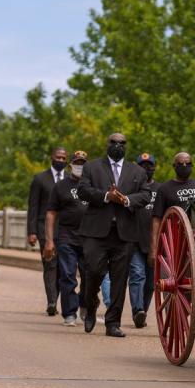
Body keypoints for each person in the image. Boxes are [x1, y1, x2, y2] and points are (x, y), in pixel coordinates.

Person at [76, 133, 152, 338]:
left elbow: (146, 195)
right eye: (114, 142)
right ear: (107, 144)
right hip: (96, 232)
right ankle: (90, 305)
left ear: (126, 146)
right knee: (93, 271)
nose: (118, 145)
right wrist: (106, 196)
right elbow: (83, 190)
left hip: (124, 233)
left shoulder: (137, 171)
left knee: (120, 279)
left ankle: (112, 323)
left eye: (122, 143)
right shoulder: (92, 167)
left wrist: (126, 200)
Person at [42, 150, 89, 327]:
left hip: (90, 238)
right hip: (66, 237)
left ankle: (85, 304)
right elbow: (51, 213)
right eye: (77, 163)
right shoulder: (61, 186)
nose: (80, 166)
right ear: (71, 166)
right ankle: (69, 312)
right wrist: (49, 240)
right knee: (68, 275)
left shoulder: (93, 185)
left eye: (83, 163)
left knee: (90, 276)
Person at [27, 147, 67, 316]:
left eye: (64, 158)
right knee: (50, 264)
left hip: (65, 229)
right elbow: (33, 207)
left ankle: (55, 297)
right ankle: (51, 301)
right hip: (45, 229)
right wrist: (32, 231)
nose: (61, 160)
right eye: (58, 157)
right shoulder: (40, 179)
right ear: (52, 157)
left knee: (62, 268)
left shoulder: (72, 180)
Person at [149, 152, 195, 265]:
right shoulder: (164, 189)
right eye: (181, 164)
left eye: (188, 163)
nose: (185, 166)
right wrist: (154, 249)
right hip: (174, 242)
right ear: (174, 166)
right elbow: (156, 220)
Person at [128, 153, 159, 328]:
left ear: (155, 168)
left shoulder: (160, 189)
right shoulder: (131, 188)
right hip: (134, 240)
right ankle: (137, 309)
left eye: (149, 165)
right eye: (142, 165)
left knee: (150, 282)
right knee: (137, 275)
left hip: (154, 242)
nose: (146, 169)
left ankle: (143, 312)